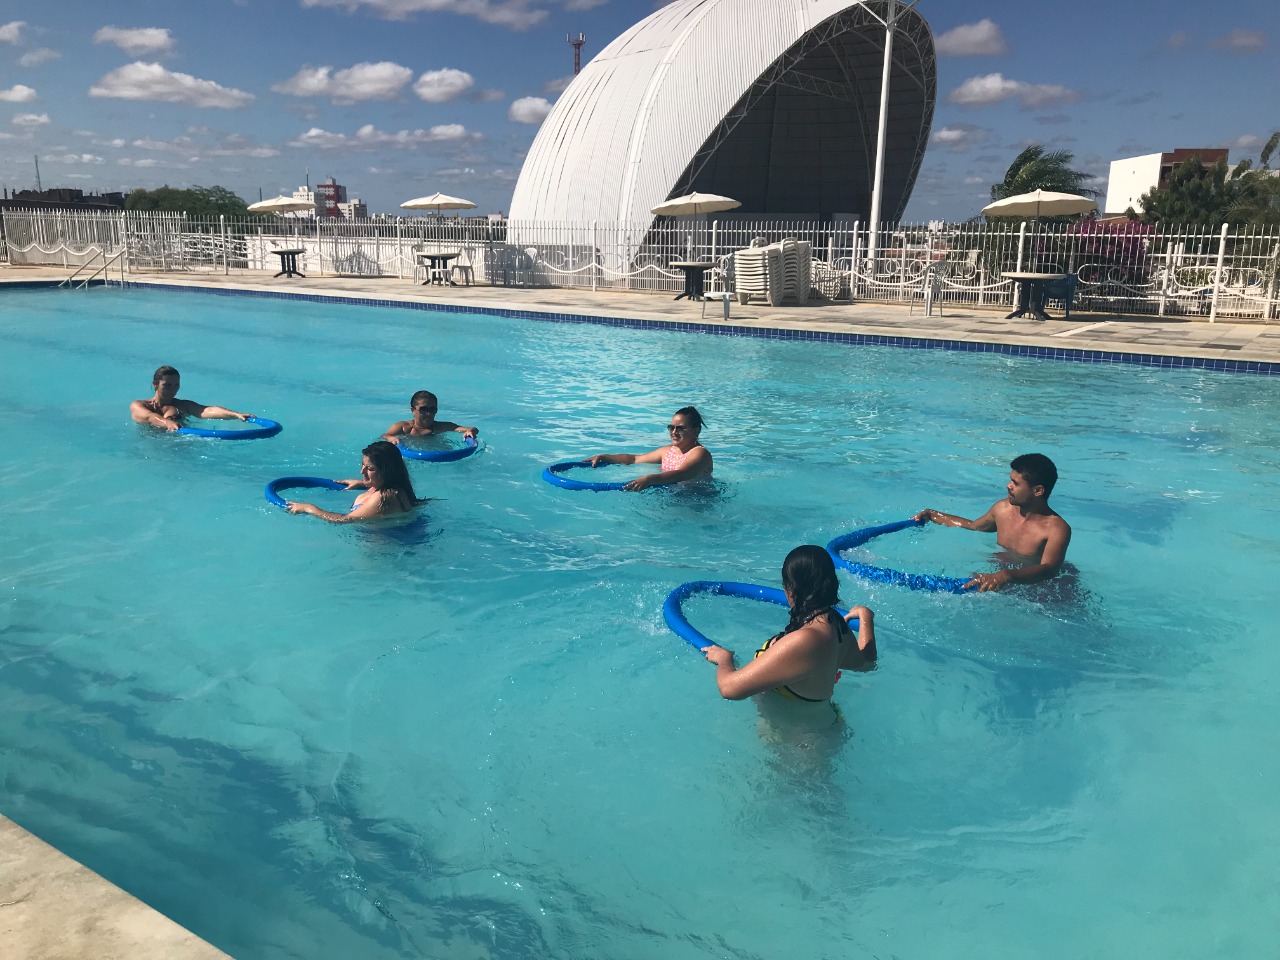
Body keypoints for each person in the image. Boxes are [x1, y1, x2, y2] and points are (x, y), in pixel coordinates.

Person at [701, 546, 876, 707]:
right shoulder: (835, 625)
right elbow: (866, 663)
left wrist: (724, 659)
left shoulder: (806, 640)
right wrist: (866, 618)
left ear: (790, 591)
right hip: (821, 730)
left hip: (795, 740)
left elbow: (729, 689)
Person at [912, 453, 1071, 592]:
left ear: (1038, 491)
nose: (1008, 486)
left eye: (1015, 483)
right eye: (1010, 480)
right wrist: (933, 515)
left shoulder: (1056, 529)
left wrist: (1006, 576)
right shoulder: (1002, 509)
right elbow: (973, 526)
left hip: (1036, 585)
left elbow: (1049, 570)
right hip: (1001, 576)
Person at [286, 441, 421, 523]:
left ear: (387, 472)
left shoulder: (384, 498)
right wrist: (363, 483)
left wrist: (309, 508)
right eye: (362, 465)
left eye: (369, 469)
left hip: (380, 553)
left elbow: (344, 520)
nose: (362, 472)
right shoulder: (392, 487)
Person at [588, 406, 713, 492]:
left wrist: (650, 479)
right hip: (674, 496)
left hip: (699, 499)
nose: (674, 432)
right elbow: (634, 459)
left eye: (680, 428)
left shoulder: (700, 453)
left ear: (696, 430)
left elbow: (682, 473)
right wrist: (605, 457)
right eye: (671, 427)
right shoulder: (668, 451)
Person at [130, 365, 251, 431]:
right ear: (155, 385)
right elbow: (151, 417)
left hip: (183, 445)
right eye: (167, 385)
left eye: (176, 385)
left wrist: (236, 414)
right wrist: (167, 422)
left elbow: (207, 410)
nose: (173, 389)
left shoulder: (182, 405)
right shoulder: (139, 405)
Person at [383, 391, 477, 444]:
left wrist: (471, 431)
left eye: (432, 410)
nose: (428, 414)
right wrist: (391, 439)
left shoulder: (440, 427)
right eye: (423, 410)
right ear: (413, 410)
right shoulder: (403, 428)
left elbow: (471, 429)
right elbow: (385, 436)